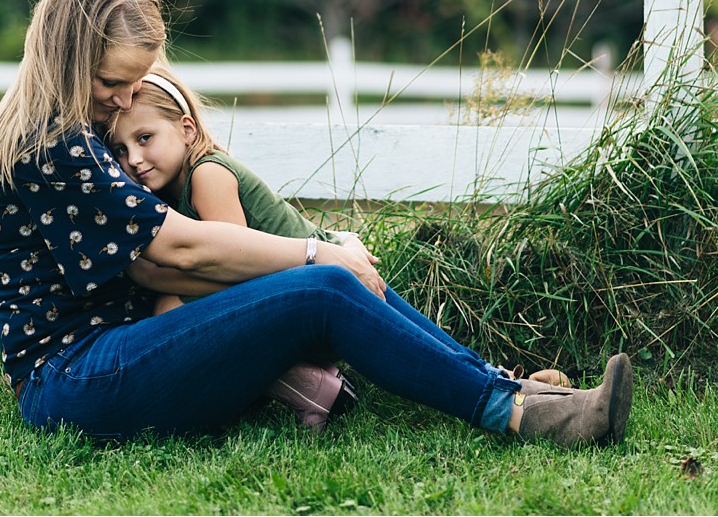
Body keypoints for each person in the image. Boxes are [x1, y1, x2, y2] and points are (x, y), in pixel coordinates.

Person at [0, 0, 633, 446]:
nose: (124, 101)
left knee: (329, 279)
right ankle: (519, 412)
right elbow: (174, 248)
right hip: (73, 379)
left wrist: (322, 263)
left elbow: (151, 270)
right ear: (66, 58)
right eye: (110, 83)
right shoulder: (51, 146)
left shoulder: (82, 133)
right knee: (324, 282)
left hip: (122, 352)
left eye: (130, 85)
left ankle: (513, 390)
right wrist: (318, 254)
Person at [106, 65, 574, 429]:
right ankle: (501, 385)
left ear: (187, 129)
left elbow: (232, 270)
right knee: (414, 330)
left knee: (416, 335)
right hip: (302, 276)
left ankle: (506, 388)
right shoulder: (169, 190)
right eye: (122, 152)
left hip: (321, 267)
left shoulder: (208, 174)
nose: (135, 160)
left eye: (145, 138)